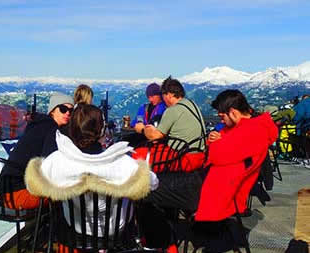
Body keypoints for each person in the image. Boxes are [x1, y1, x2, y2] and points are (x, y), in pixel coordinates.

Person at [25, 104, 158, 252]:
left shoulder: (57, 161)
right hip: (116, 231)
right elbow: (153, 183)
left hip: (76, 228)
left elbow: (34, 186)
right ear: (102, 130)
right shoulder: (123, 163)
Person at [132, 77, 206, 253]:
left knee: (137, 157)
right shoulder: (192, 106)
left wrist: (142, 128)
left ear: (169, 94)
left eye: (163, 94)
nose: (163, 99)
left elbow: (155, 135)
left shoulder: (173, 110)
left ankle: (143, 226)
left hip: (182, 158)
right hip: (198, 156)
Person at [196, 89, 278, 221]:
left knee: (160, 191)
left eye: (222, 117)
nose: (221, 122)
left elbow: (219, 156)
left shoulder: (251, 131)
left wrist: (216, 142)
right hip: (221, 185)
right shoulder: (250, 126)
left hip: (223, 193)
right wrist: (216, 139)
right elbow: (227, 147)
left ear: (233, 112)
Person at [0, 92, 74, 210]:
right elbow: (50, 165)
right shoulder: (51, 129)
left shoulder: (37, 125)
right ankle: (55, 228)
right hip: (18, 195)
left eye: (71, 111)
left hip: (4, 192)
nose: (68, 113)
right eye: (63, 109)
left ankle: (39, 227)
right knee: (66, 194)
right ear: (52, 110)